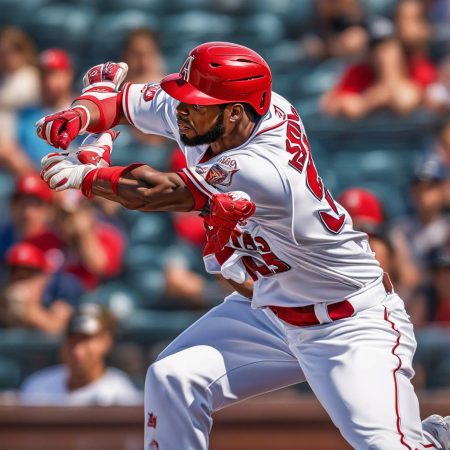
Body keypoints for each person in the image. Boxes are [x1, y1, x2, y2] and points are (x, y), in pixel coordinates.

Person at [37, 43, 449, 450]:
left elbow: (157, 191)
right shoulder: (217, 112)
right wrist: (83, 113)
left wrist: (84, 177)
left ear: (235, 112)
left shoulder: (265, 166)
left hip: (347, 323)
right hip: (270, 310)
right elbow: (122, 103)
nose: (181, 108)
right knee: (172, 378)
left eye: (195, 103)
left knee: (386, 446)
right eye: (185, 96)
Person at [20, 303, 142, 405]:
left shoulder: (120, 395)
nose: (77, 350)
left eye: (86, 339)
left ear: (106, 341)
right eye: (72, 339)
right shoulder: (37, 387)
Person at [321, 19, 435, 119]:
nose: (382, 55)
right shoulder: (359, 72)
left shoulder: (418, 67)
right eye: (376, 49)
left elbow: (405, 100)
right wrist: (345, 104)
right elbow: (328, 105)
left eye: (388, 47)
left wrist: (366, 102)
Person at [0, 48, 75, 175]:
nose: (47, 80)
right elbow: (7, 149)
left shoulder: (82, 111)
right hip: (34, 184)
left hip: (75, 184)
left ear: (68, 75)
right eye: (42, 74)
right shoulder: (26, 114)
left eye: (53, 73)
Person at [0, 242, 83, 334]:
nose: (22, 283)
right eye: (16, 277)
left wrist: (29, 308)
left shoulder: (61, 285)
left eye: (28, 276)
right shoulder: (5, 294)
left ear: (44, 276)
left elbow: (55, 328)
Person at [0, 173, 61, 266]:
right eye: (22, 204)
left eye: (35, 205)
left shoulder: (57, 243)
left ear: (48, 210)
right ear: (12, 206)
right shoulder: (3, 237)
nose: (27, 213)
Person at [0, 27, 40, 147]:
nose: (4, 58)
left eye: (8, 53)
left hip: (22, 137)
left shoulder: (30, 76)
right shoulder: (4, 76)